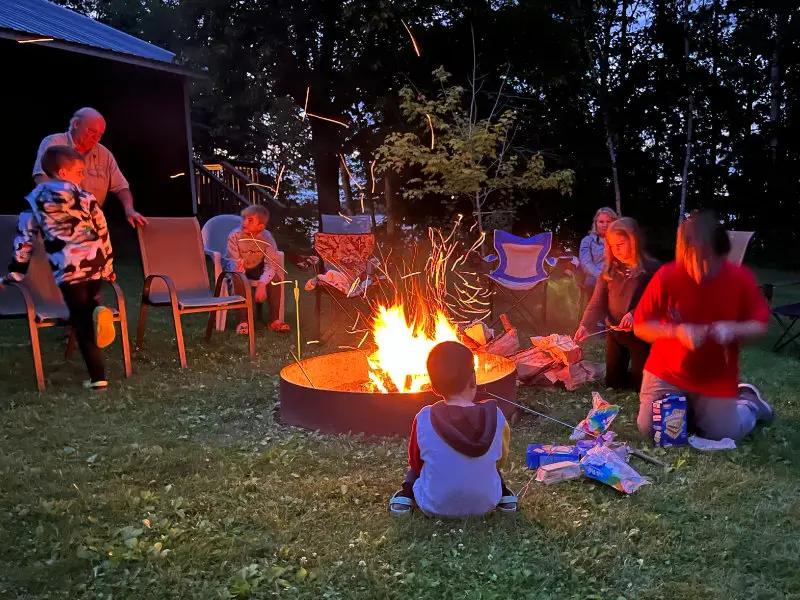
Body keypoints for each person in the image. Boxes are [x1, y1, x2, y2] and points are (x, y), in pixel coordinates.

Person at [633, 210, 774, 441]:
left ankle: (749, 404)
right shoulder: (666, 276)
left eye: (712, 262)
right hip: (667, 374)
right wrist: (676, 332)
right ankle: (689, 409)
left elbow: (760, 325)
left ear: (723, 255)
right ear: (684, 253)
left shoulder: (739, 278)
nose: (704, 271)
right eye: (697, 262)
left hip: (715, 378)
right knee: (655, 431)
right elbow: (641, 326)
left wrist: (733, 329)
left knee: (723, 434)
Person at [7, 146, 116, 390]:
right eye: (79, 171)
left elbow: (24, 238)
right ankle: (99, 310)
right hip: (95, 263)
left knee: (82, 321)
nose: (82, 176)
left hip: (69, 268)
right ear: (62, 171)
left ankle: (98, 376)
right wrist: (108, 264)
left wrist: (17, 270)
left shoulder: (35, 198)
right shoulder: (86, 197)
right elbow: (103, 230)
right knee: (88, 309)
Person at [388, 341, 517, 518]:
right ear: (474, 378)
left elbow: (416, 464)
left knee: (416, 470)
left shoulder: (424, 417)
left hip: (434, 506)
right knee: (489, 464)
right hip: (486, 504)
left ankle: (405, 496)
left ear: (433, 387)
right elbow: (499, 461)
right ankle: (504, 496)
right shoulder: (496, 415)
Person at [575, 217, 660, 391]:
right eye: (613, 246)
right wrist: (585, 325)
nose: (617, 249)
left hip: (641, 335)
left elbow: (658, 301)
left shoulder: (651, 269)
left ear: (633, 240)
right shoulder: (609, 271)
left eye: (621, 243)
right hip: (614, 332)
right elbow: (597, 302)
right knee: (613, 383)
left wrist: (635, 313)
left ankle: (649, 369)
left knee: (641, 386)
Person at [32, 107, 148, 228]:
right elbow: (41, 177)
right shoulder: (54, 143)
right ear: (76, 124)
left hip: (90, 224)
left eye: (100, 134)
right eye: (92, 131)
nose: (96, 138)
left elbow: (121, 187)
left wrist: (129, 210)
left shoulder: (104, 154)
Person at [224, 205, 289, 334]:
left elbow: (271, 265)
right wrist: (237, 267)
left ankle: (274, 321)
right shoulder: (235, 236)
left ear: (260, 226)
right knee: (238, 277)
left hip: (257, 268)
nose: (244, 223)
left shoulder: (267, 238)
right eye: (244, 219)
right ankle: (243, 322)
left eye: (250, 220)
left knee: (275, 278)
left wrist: (261, 284)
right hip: (236, 268)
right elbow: (232, 261)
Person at [579, 207, 618, 288]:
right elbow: (586, 264)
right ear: (596, 223)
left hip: (617, 278)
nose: (605, 225)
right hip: (595, 279)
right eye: (601, 222)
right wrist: (602, 276)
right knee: (592, 281)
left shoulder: (620, 240)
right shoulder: (587, 241)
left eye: (608, 221)